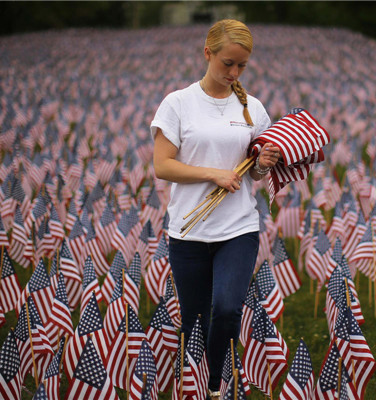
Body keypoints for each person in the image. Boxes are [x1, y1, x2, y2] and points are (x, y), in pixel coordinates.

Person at [150, 19, 281, 400]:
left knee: (225, 309)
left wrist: (263, 162)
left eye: (242, 66)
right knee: (192, 320)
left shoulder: (252, 108)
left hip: (238, 227)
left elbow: (253, 174)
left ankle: (213, 385)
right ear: (207, 54)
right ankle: (193, 384)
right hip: (188, 231)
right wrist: (214, 175)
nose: (234, 73)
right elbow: (162, 166)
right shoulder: (177, 103)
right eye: (228, 63)